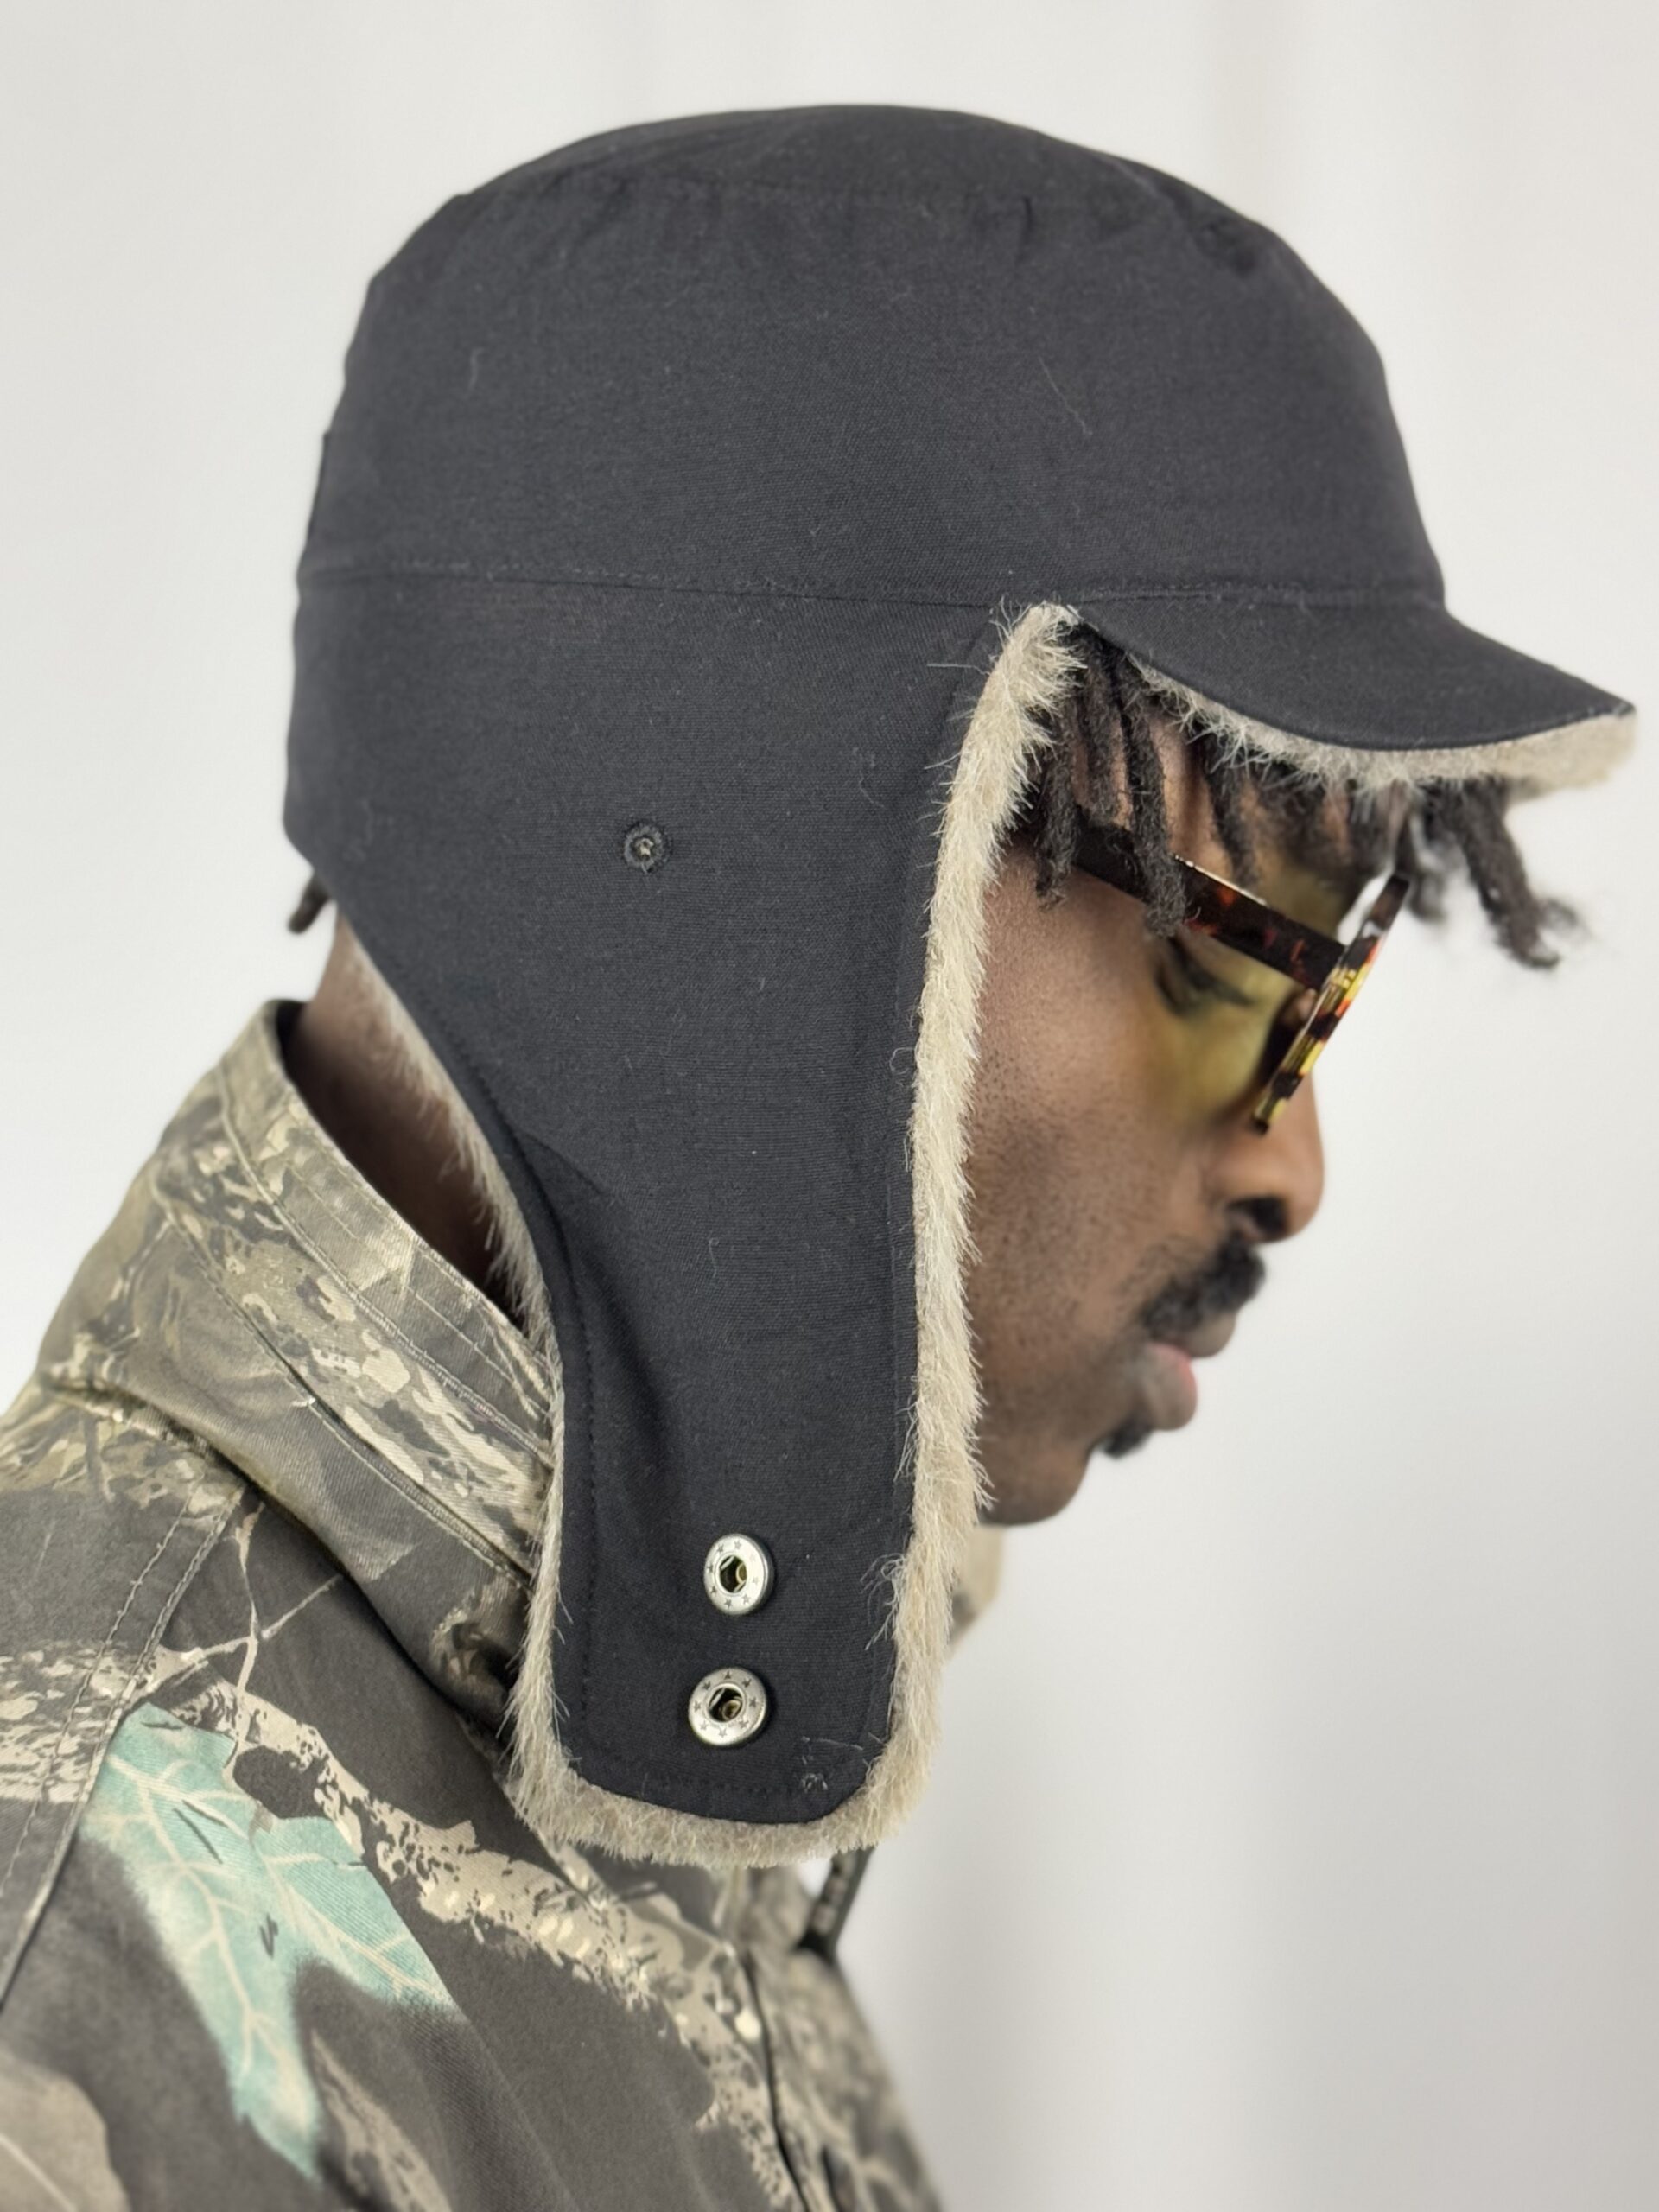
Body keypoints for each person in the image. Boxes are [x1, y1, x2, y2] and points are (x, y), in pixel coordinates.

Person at [0, 105, 1632, 2211]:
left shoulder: (632, 1781)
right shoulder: (81, 1957)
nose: (1291, 1167)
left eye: (1338, 972)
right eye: (1242, 959)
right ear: (763, 879)